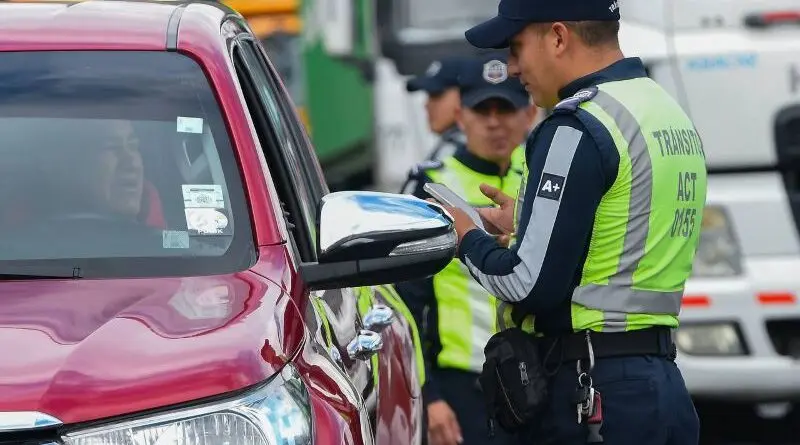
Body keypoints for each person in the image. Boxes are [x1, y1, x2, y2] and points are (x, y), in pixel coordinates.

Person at [436, 1, 708, 444]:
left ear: (558, 37)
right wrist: (528, 227)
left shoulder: (575, 125)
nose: (511, 66)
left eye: (517, 47)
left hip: (593, 394)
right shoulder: (665, 113)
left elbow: (526, 283)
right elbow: (622, 229)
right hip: (661, 388)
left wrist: (466, 236)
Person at [396, 53, 537, 445]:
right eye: (482, 110)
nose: (494, 122)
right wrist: (430, 396)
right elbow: (406, 305)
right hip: (461, 389)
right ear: (461, 116)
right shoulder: (432, 189)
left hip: (537, 378)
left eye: (505, 109)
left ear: (528, 115)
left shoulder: (545, 180)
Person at [405, 57, 467, 164]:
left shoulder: (466, 150)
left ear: (467, 95)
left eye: (435, 95)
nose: (426, 105)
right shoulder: (453, 144)